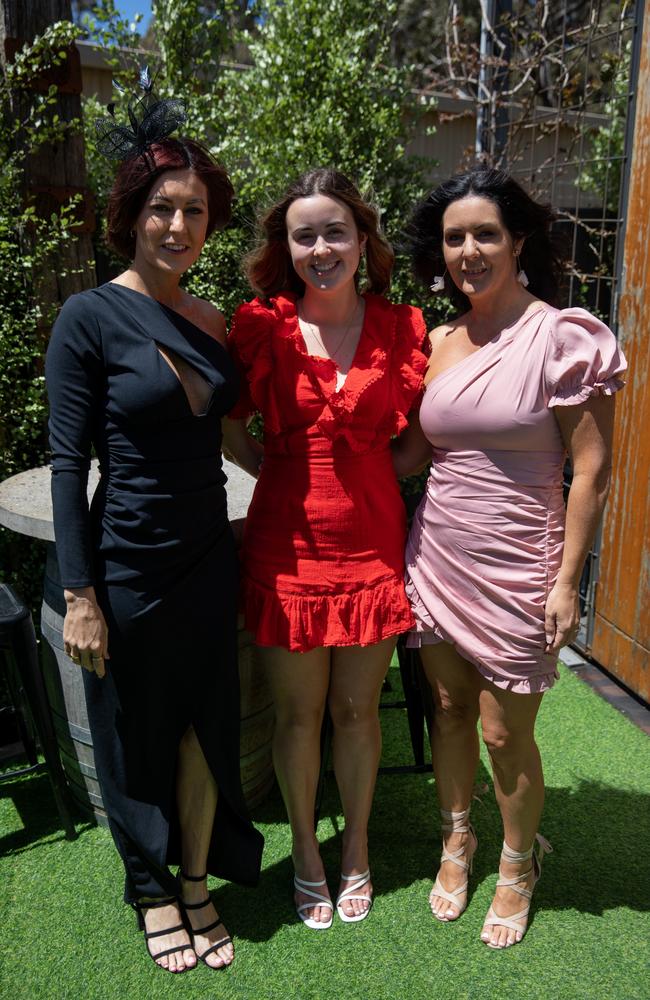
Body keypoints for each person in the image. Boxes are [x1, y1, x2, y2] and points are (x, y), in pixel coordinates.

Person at [45, 85, 263, 974]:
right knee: (137, 733)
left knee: (205, 728)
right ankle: (149, 891)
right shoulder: (88, 317)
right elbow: (67, 465)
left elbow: (241, 438)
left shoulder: (212, 321)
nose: (179, 226)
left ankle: (199, 878)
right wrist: (80, 594)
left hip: (208, 560)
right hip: (126, 567)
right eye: (163, 209)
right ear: (131, 215)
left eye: (196, 211)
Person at [393, 167, 626, 949]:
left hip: (523, 561)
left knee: (503, 732)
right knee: (450, 711)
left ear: (518, 240)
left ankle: (518, 864)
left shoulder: (563, 335)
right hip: (437, 552)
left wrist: (569, 583)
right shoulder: (437, 340)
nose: (469, 250)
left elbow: (592, 468)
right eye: (455, 237)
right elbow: (409, 457)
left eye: (485, 234)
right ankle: (458, 838)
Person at [222, 168, 428, 928]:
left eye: (334, 231)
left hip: (373, 551)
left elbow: (417, 445)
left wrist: (367, 474)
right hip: (285, 553)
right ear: (287, 245)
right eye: (303, 234)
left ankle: (357, 849)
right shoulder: (262, 327)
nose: (320, 247)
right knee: (297, 716)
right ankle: (308, 851)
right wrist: (285, 471)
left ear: (362, 238)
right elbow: (232, 430)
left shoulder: (403, 329)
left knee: (356, 712)